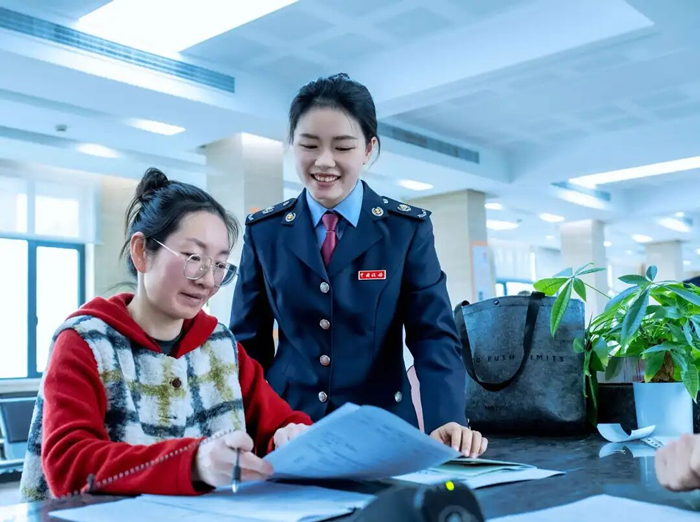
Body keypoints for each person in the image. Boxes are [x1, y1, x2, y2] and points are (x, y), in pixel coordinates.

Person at [230, 73, 487, 458]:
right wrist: (251, 425)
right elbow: (248, 345)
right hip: (289, 429)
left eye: (343, 147)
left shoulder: (404, 230)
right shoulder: (266, 232)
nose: (324, 161)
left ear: (368, 149)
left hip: (383, 427)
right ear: (291, 145)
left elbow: (432, 334)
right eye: (309, 145)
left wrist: (446, 418)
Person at [20, 168, 311, 501]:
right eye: (193, 258)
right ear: (141, 251)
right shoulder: (86, 342)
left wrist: (290, 435)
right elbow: (69, 465)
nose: (208, 280)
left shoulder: (220, 346)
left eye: (219, 265)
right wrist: (193, 463)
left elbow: (279, 423)